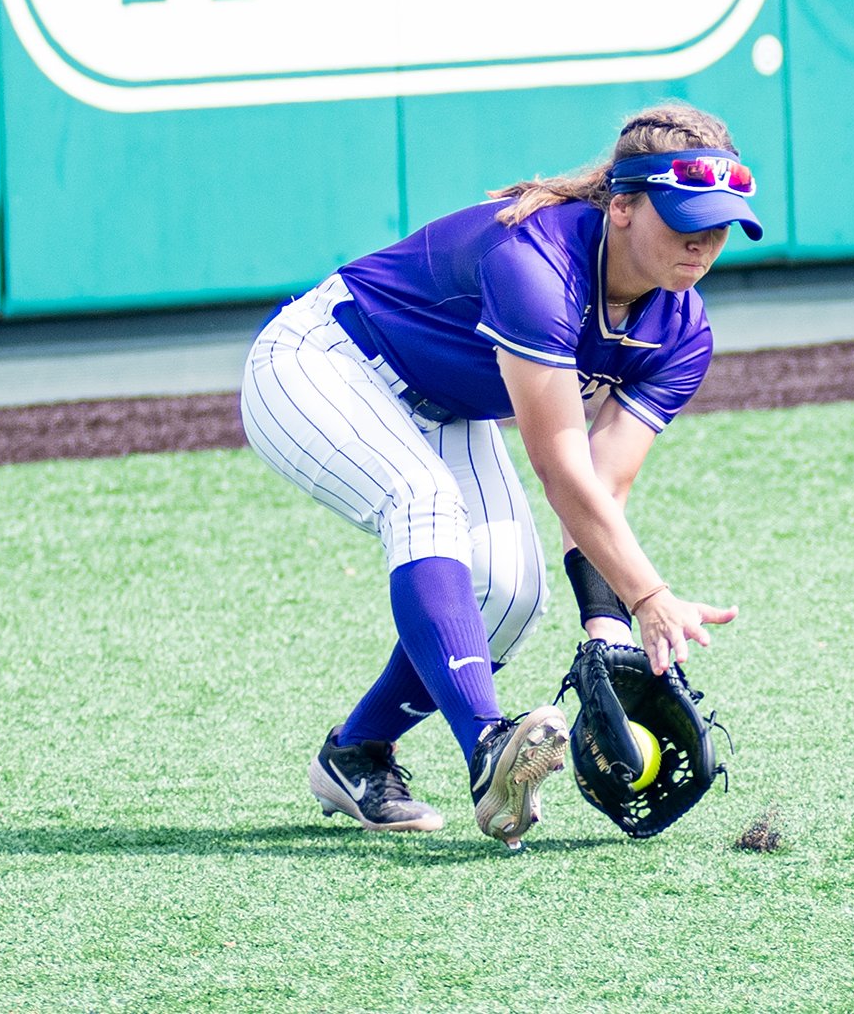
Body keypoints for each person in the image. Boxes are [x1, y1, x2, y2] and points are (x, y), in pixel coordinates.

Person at [240, 101, 760, 849]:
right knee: (421, 503)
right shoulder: (537, 261)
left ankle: (356, 754)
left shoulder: (681, 332)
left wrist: (607, 631)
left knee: (512, 595)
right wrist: (649, 596)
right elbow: (556, 468)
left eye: (721, 223)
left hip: (445, 408)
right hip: (320, 362)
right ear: (621, 205)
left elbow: (600, 489)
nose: (705, 240)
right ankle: (489, 750)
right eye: (686, 218)